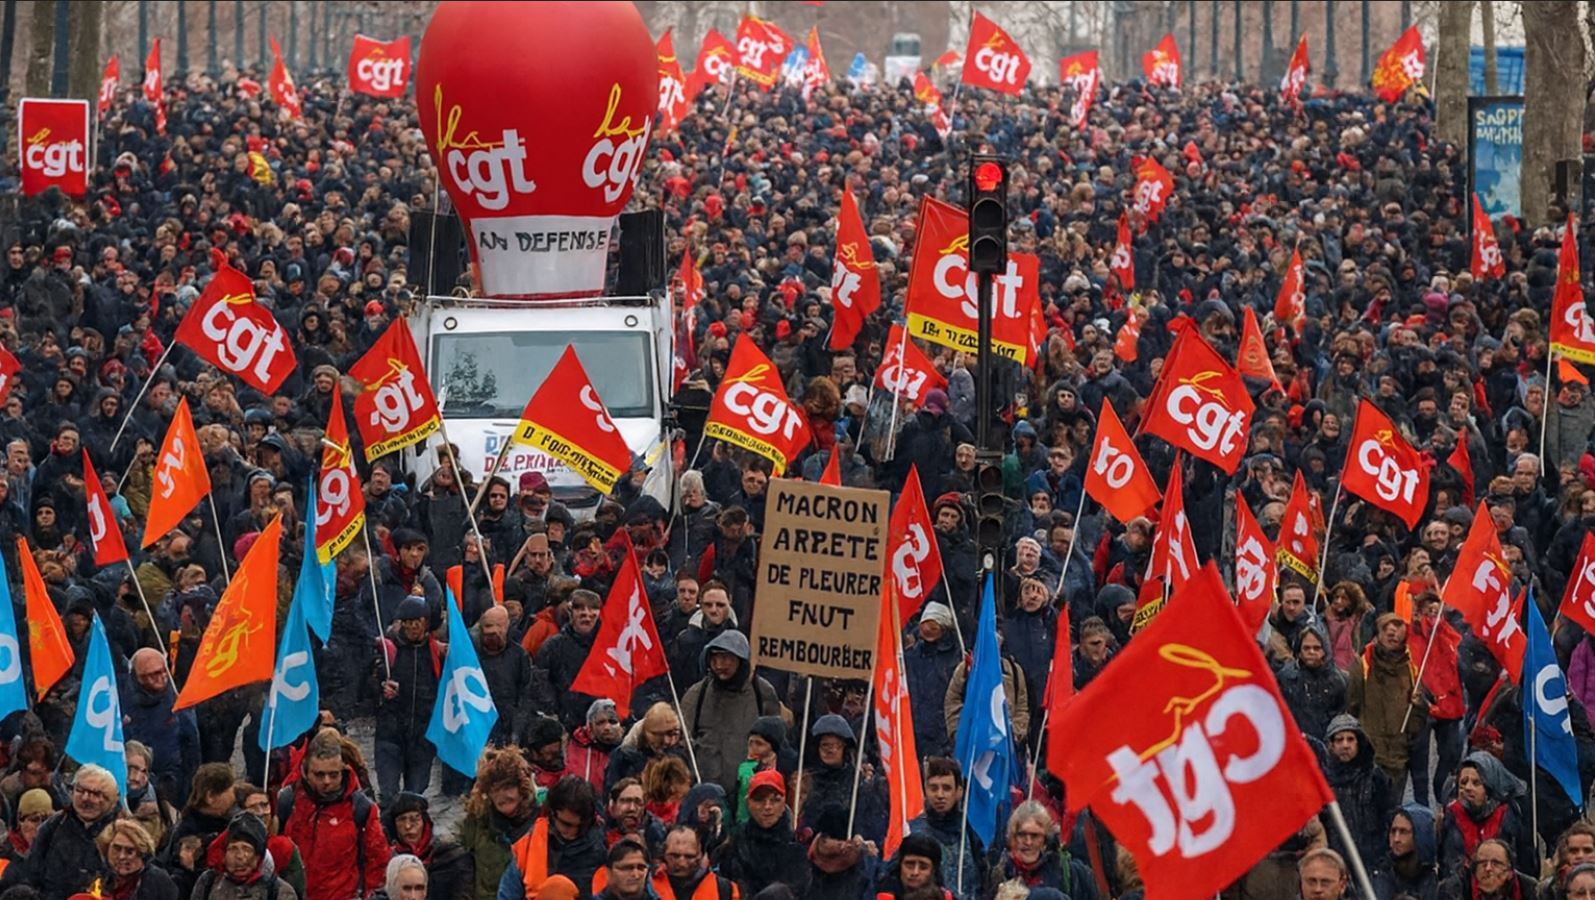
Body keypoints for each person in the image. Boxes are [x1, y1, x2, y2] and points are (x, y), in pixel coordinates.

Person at [277, 730, 392, 900]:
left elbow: (377, 860)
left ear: (343, 770)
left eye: (333, 775)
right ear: (306, 771)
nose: (327, 781)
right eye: (319, 774)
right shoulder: (288, 800)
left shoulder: (361, 808)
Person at [679, 631, 780, 794]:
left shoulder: (762, 692)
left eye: (726, 659)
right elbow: (683, 742)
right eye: (714, 659)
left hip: (749, 789)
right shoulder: (697, 694)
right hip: (704, 788)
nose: (719, 665)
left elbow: (778, 741)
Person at [1346, 612, 1427, 792]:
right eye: (1386, 630)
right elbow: (1352, 706)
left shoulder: (1413, 668)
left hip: (1399, 754)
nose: (1392, 633)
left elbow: (1420, 717)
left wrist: (1420, 705)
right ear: (1378, 634)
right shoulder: (1363, 665)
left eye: (1397, 629)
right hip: (1371, 752)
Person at [15, 764, 120, 900]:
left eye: (94, 794)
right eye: (80, 790)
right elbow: (31, 875)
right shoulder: (53, 826)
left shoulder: (120, 832)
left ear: (110, 800)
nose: (85, 798)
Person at [375, 595, 443, 800]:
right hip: (390, 735)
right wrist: (381, 688)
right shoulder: (388, 652)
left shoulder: (437, 653)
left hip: (423, 737)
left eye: (418, 622)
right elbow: (364, 690)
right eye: (408, 623)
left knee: (415, 795)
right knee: (388, 794)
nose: (413, 627)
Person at [497, 777, 606, 900]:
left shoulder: (603, 851)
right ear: (552, 814)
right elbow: (507, 894)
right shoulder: (529, 845)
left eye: (581, 826)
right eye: (566, 824)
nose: (573, 832)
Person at [1439, 753, 1537, 884]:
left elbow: (1525, 864)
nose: (1467, 788)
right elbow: (1446, 863)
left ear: (1490, 788)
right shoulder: (1451, 816)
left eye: (1476, 783)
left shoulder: (1509, 817)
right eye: (1463, 782)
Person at [119, 648, 200, 802]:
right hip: (131, 780)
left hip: (171, 784)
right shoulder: (121, 700)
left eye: (164, 671)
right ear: (137, 677)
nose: (161, 677)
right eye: (153, 674)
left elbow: (192, 749)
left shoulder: (178, 704)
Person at [455, 748, 536, 900]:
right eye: (495, 789)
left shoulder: (541, 820)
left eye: (507, 787)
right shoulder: (478, 821)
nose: (502, 795)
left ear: (521, 787)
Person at [715, 770, 810, 897]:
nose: (767, 806)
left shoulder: (796, 844)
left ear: (784, 803)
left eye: (775, 800)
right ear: (748, 802)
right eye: (759, 799)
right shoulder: (734, 842)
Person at [1321, 715, 1395, 873]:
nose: (1345, 745)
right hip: (1337, 863)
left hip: (1373, 863)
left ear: (1359, 743)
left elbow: (1389, 818)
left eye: (1350, 739)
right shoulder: (1323, 782)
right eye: (1339, 740)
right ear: (1332, 745)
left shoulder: (1375, 777)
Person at [988, 802, 1098, 900]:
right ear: (1013, 838)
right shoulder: (998, 872)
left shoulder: (1066, 872)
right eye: (1022, 835)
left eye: (1035, 836)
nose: (1028, 842)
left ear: (1045, 840)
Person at [907, 758, 982, 900]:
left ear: (959, 792)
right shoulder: (913, 831)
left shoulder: (970, 830)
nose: (940, 795)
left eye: (946, 788)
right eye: (934, 788)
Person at [384, 793, 472, 900]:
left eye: (415, 819)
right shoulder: (389, 860)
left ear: (425, 822)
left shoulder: (451, 856)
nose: (408, 826)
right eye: (401, 820)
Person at [192, 813, 299, 900]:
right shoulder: (208, 882)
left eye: (247, 849)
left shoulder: (279, 891)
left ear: (259, 856)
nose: (239, 856)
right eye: (233, 848)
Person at [96, 818, 178, 900]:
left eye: (130, 851)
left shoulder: (158, 882)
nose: (122, 856)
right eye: (117, 849)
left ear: (142, 853)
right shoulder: (99, 877)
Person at [1370, 804, 1438, 900]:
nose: (1396, 839)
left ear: (1419, 836)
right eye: (1393, 831)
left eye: (1403, 832)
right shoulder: (1382, 876)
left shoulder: (1434, 880)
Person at [1437, 838, 1537, 900]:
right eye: (1482, 863)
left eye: (1496, 863)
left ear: (1510, 872)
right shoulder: (1453, 890)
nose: (1488, 868)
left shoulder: (1529, 889)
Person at [653, 825, 736, 900]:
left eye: (689, 857)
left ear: (700, 855)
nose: (682, 863)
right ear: (664, 854)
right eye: (674, 856)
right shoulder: (648, 885)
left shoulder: (724, 889)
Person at [564, 700, 623, 797]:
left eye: (612, 722)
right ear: (590, 726)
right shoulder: (573, 747)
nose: (607, 727)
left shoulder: (627, 752)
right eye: (600, 723)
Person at [873, 833, 951, 900]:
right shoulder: (874, 892)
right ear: (900, 866)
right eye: (909, 865)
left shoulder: (943, 897)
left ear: (933, 871)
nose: (915, 872)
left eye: (923, 867)